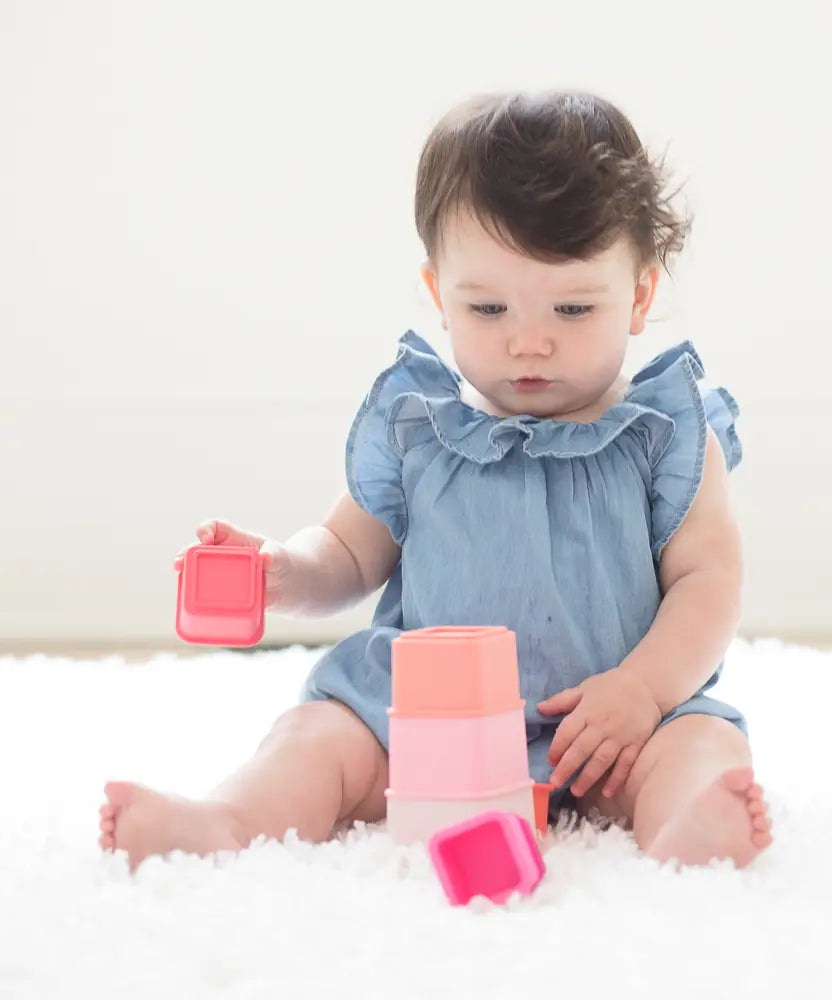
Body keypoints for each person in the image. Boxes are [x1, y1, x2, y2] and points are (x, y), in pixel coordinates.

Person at [99, 90, 773, 872]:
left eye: (574, 307)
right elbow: (349, 554)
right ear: (437, 297)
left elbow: (708, 579)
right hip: (424, 730)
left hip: (609, 727)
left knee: (698, 741)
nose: (529, 341)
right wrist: (285, 570)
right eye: (487, 307)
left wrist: (645, 690)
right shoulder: (422, 427)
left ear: (639, 298)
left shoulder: (665, 433)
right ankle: (226, 820)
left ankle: (690, 825)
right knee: (319, 737)